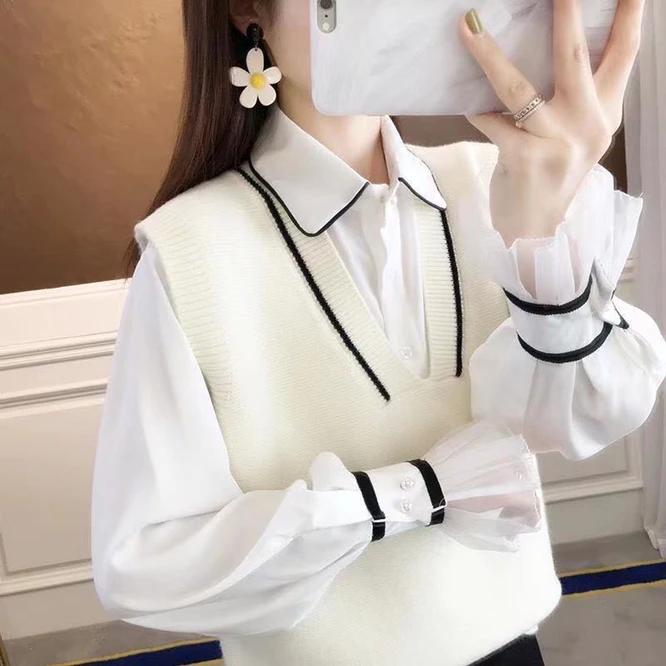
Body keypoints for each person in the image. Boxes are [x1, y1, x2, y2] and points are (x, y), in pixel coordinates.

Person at [90, 1, 665, 665]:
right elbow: (144, 562)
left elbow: (583, 420)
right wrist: (415, 494)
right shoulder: (189, 250)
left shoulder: (494, 179)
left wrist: (547, 250)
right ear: (249, 9)